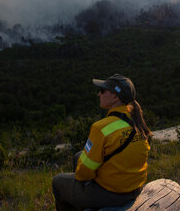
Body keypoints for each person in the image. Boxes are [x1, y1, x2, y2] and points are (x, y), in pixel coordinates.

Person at [52, 74, 152, 211]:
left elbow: (83, 174)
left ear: (115, 97)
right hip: (134, 187)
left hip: (113, 193)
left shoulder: (101, 128)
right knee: (78, 156)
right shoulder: (137, 121)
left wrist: (85, 178)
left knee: (58, 182)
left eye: (103, 91)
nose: (99, 94)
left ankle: (86, 202)